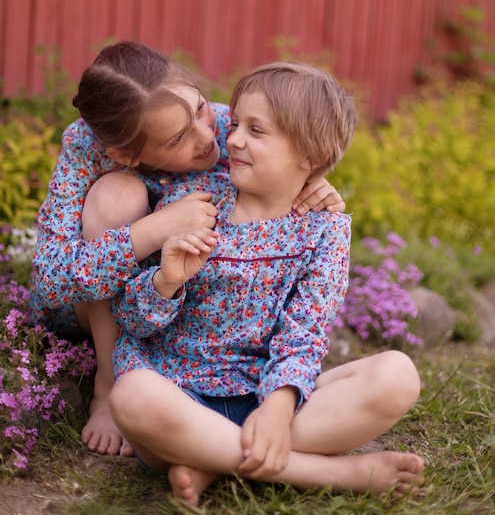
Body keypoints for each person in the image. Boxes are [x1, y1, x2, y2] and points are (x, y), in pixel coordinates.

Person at [109, 61, 424, 507]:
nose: (232, 139)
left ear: (309, 158)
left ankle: (210, 458)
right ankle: (327, 472)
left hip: (266, 393)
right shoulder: (193, 204)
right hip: (178, 394)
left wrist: (277, 407)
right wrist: (165, 282)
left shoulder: (324, 231)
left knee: (397, 375)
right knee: (133, 395)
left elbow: (305, 332)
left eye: (256, 131)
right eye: (236, 123)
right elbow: (132, 323)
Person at [29, 42, 346, 457]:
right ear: (126, 153)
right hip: (96, 304)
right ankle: (108, 384)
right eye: (179, 138)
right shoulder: (86, 147)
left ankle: (202, 421)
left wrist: (312, 182)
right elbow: (52, 279)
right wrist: (153, 229)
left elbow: (293, 150)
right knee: (115, 195)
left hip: (167, 295)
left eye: (200, 108)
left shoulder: (224, 126)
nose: (212, 136)